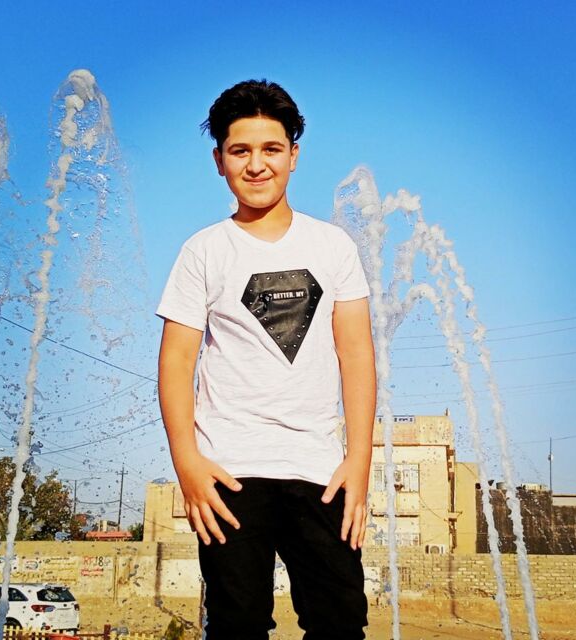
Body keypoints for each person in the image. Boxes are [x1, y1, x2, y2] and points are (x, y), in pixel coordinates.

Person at [156, 79, 376, 640]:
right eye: (240, 151)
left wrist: (358, 462)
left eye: (271, 149)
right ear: (220, 161)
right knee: (237, 623)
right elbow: (176, 361)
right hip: (229, 471)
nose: (256, 165)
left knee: (340, 621)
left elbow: (356, 354)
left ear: (293, 155)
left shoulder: (333, 246)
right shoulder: (203, 250)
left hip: (320, 471)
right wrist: (187, 463)